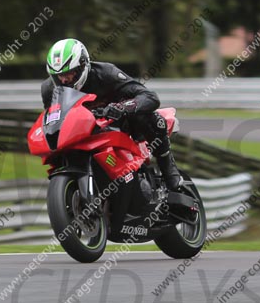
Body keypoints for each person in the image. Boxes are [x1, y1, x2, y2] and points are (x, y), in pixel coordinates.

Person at [40, 38, 183, 190]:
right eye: (58, 75)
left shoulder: (107, 74)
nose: (63, 79)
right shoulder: (48, 89)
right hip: (85, 130)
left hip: (120, 124)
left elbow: (150, 97)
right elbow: (54, 117)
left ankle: (168, 169)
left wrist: (122, 107)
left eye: (69, 73)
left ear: (83, 65)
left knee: (148, 117)